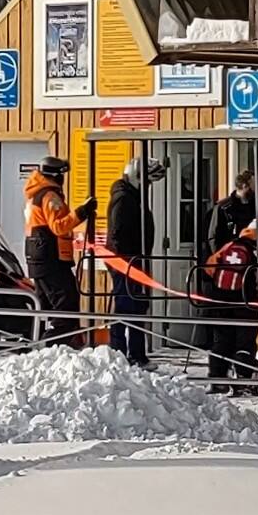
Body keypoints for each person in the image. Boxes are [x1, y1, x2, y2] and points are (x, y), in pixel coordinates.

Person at [194, 193, 258, 389]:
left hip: (220, 299)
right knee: (245, 340)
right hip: (245, 301)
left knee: (221, 340)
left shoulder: (230, 245)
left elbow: (209, 267)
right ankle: (242, 377)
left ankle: (217, 378)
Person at [102, 153, 162, 368]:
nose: (148, 186)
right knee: (126, 305)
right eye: (147, 182)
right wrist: (126, 260)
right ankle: (119, 352)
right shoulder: (124, 198)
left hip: (135, 259)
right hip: (126, 261)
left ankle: (136, 353)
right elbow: (117, 233)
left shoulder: (133, 196)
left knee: (138, 305)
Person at [20, 156, 82, 344]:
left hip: (39, 255)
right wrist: (81, 213)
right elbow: (58, 227)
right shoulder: (49, 196)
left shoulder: (36, 194)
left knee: (44, 304)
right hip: (51, 257)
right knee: (66, 304)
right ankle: (53, 344)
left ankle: (35, 342)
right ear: (56, 175)